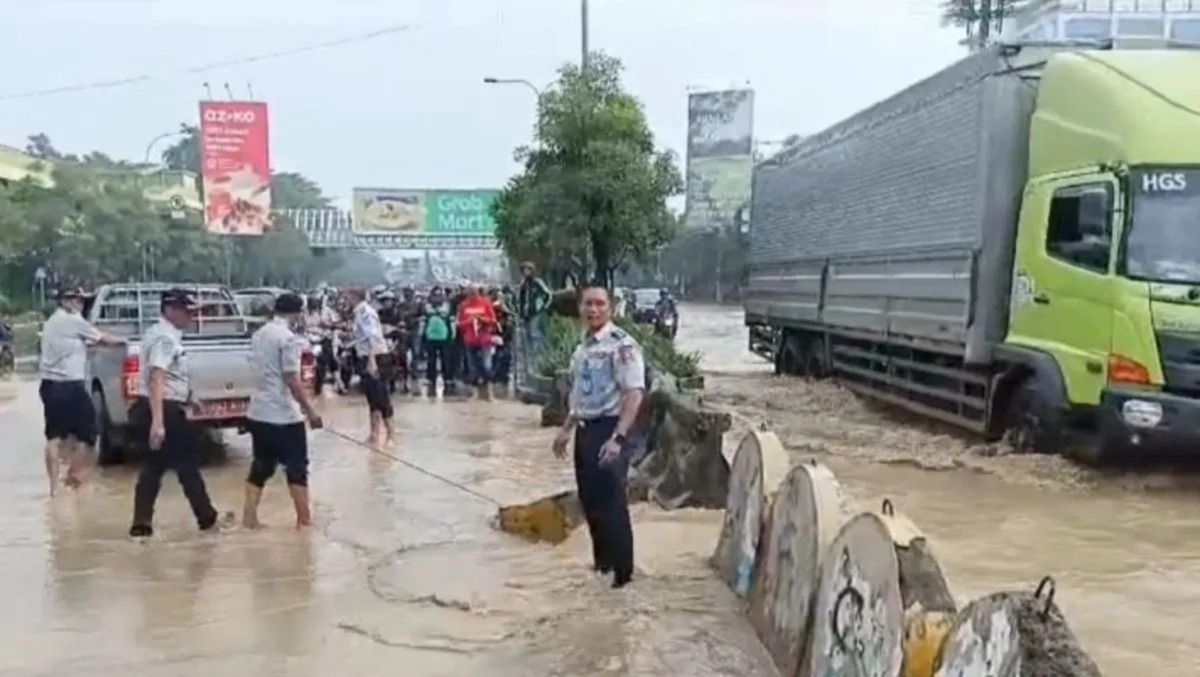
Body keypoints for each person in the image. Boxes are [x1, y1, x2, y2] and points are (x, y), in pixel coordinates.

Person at [552, 284, 646, 588]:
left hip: (611, 430)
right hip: (585, 431)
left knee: (612, 506)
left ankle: (623, 579)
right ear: (580, 308)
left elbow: (634, 393)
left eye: (599, 304)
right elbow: (581, 395)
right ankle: (602, 569)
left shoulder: (622, 345)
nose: (593, 310)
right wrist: (566, 430)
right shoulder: (583, 349)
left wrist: (618, 438)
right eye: (588, 304)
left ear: (611, 307)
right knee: (591, 504)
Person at [129, 289, 222, 538]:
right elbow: (157, 377)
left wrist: (190, 398)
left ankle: (142, 525)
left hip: (159, 405)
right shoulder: (165, 338)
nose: (190, 316)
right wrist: (158, 422)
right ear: (169, 310)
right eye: (186, 311)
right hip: (164, 409)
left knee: (154, 467)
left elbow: (167, 376)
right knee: (187, 466)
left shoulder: (157, 332)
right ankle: (208, 520)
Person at [243, 293, 324, 529]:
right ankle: (304, 522)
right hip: (284, 415)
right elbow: (291, 377)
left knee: (262, 465)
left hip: (258, 412)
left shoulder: (259, 334)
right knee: (297, 467)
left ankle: (249, 519)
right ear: (297, 312)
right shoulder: (289, 339)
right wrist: (310, 411)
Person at [38, 287, 124, 494]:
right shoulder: (73, 321)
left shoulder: (52, 322)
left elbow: (84, 341)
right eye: (77, 301)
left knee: (54, 437)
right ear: (66, 301)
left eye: (82, 301)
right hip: (70, 385)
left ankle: (54, 490)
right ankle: (73, 477)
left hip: (49, 385)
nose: (81, 305)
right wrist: (127, 342)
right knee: (90, 434)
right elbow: (103, 338)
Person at [351, 287, 395, 447]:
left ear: (355, 296)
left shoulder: (365, 313)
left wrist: (372, 361)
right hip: (365, 356)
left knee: (381, 397)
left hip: (375, 356)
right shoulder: (358, 312)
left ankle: (390, 435)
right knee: (372, 398)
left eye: (348, 296)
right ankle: (374, 434)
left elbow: (372, 337)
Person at [456, 285, 499, 399]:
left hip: (484, 339)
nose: (472, 294)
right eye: (470, 292)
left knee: (487, 365)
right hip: (470, 340)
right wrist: (468, 321)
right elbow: (459, 324)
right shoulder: (463, 305)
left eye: (474, 292)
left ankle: (489, 392)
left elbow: (493, 320)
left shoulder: (485, 303)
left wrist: (482, 319)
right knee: (472, 367)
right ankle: (475, 393)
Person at [420, 287, 456, 396]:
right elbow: (423, 321)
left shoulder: (448, 307)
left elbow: (452, 321)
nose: (437, 297)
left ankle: (448, 378)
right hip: (430, 336)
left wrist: (453, 335)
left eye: (439, 295)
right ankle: (431, 379)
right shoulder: (426, 307)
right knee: (431, 360)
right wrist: (422, 334)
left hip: (445, 337)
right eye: (435, 295)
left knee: (446, 360)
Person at [516, 261, 551, 352]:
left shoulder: (537, 282)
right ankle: (531, 359)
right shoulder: (523, 285)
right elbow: (520, 300)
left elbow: (548, 295)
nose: (526, 272)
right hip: (525, 315)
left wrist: (543, 307)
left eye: (528, 269)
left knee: (535, 334)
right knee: (528, 337)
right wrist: (520, 314)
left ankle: (539, 358)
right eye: (524, 270)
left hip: (536, 313)